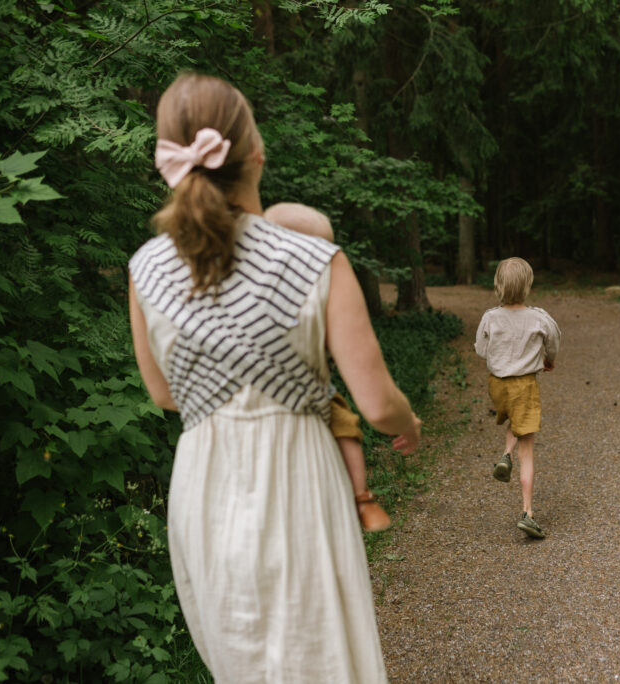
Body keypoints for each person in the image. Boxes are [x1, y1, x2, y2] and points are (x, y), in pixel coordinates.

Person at [128, 73, 420, 682]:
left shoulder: (145, 268)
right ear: (254, 153)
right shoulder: (315, 259)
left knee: (241, 658)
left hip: (205, 483)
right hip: (295, 476)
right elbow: (375, 402)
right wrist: (408, 421)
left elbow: (163, 394)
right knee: (319, 653)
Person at [263, 202, 390, 532]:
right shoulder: (268, 290)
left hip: (308, 388)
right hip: (274, 394)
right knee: (344, 422)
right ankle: (362, 495)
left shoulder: (318, 290)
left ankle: (361, 495)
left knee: (345, 423)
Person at [475, 257, 560, 539]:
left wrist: (500, 358)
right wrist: (547, 359)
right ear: (528, 284)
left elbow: (481, 349)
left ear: (498, 285)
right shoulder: (539, 317)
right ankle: (527, 512)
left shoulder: (490, 317)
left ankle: (504, 455)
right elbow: (553, 341)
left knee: (514, 417)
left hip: (498, 385)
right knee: (528, 448)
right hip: (524, 384)